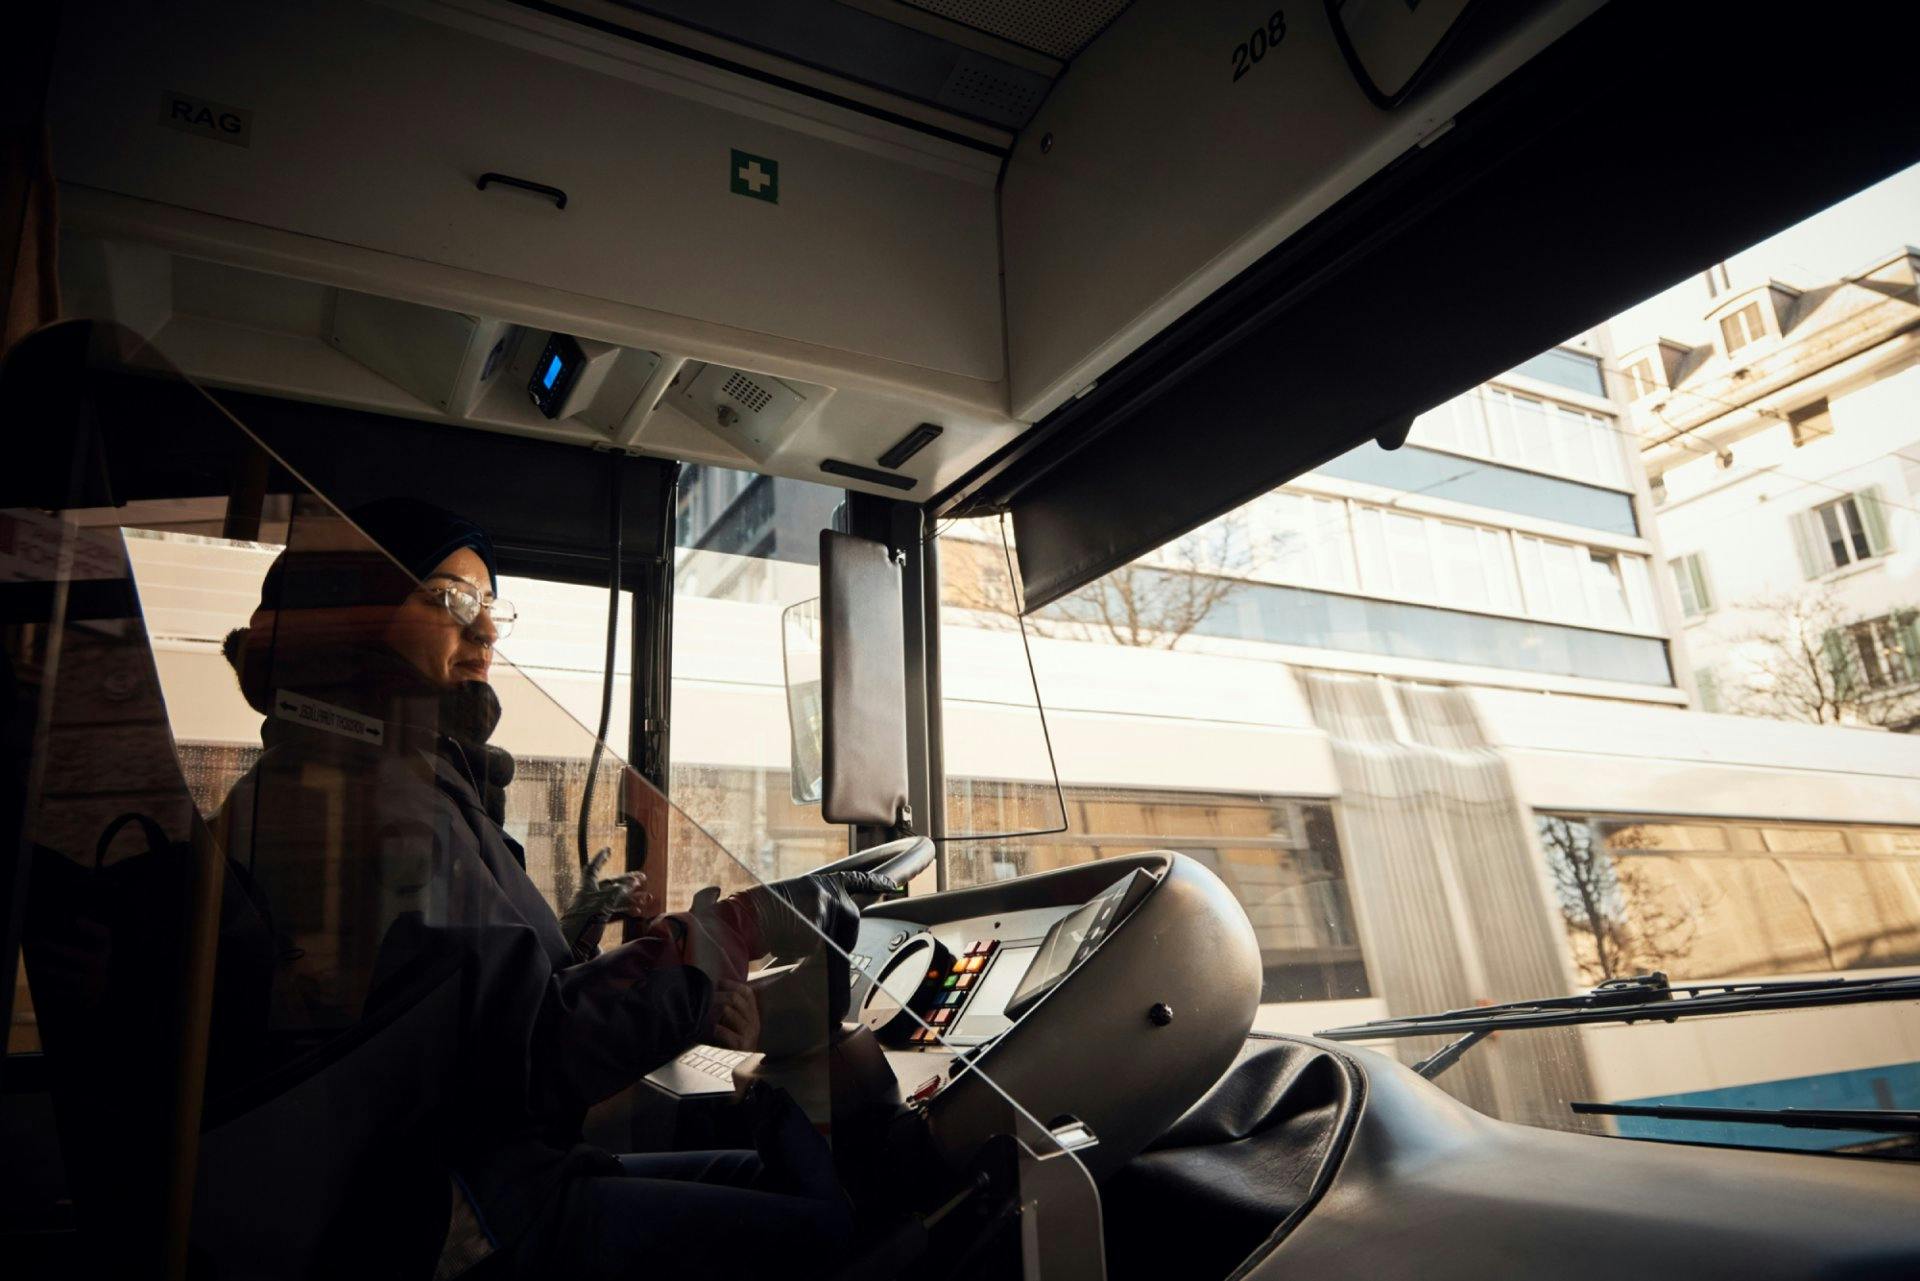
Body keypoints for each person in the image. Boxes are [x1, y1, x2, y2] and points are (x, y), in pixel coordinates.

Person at [214, 497, 893, 1279]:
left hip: (461, 1176)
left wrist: (653, 954)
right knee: (833, 1237)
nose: (486, 631)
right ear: (354, 617)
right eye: (448, 599)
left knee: (767, 1185)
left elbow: (486, 1014)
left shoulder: (395, 779)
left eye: (489, 605)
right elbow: (528, 1055)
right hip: (446, 1218)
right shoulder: (366, 798)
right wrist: (723, 940)